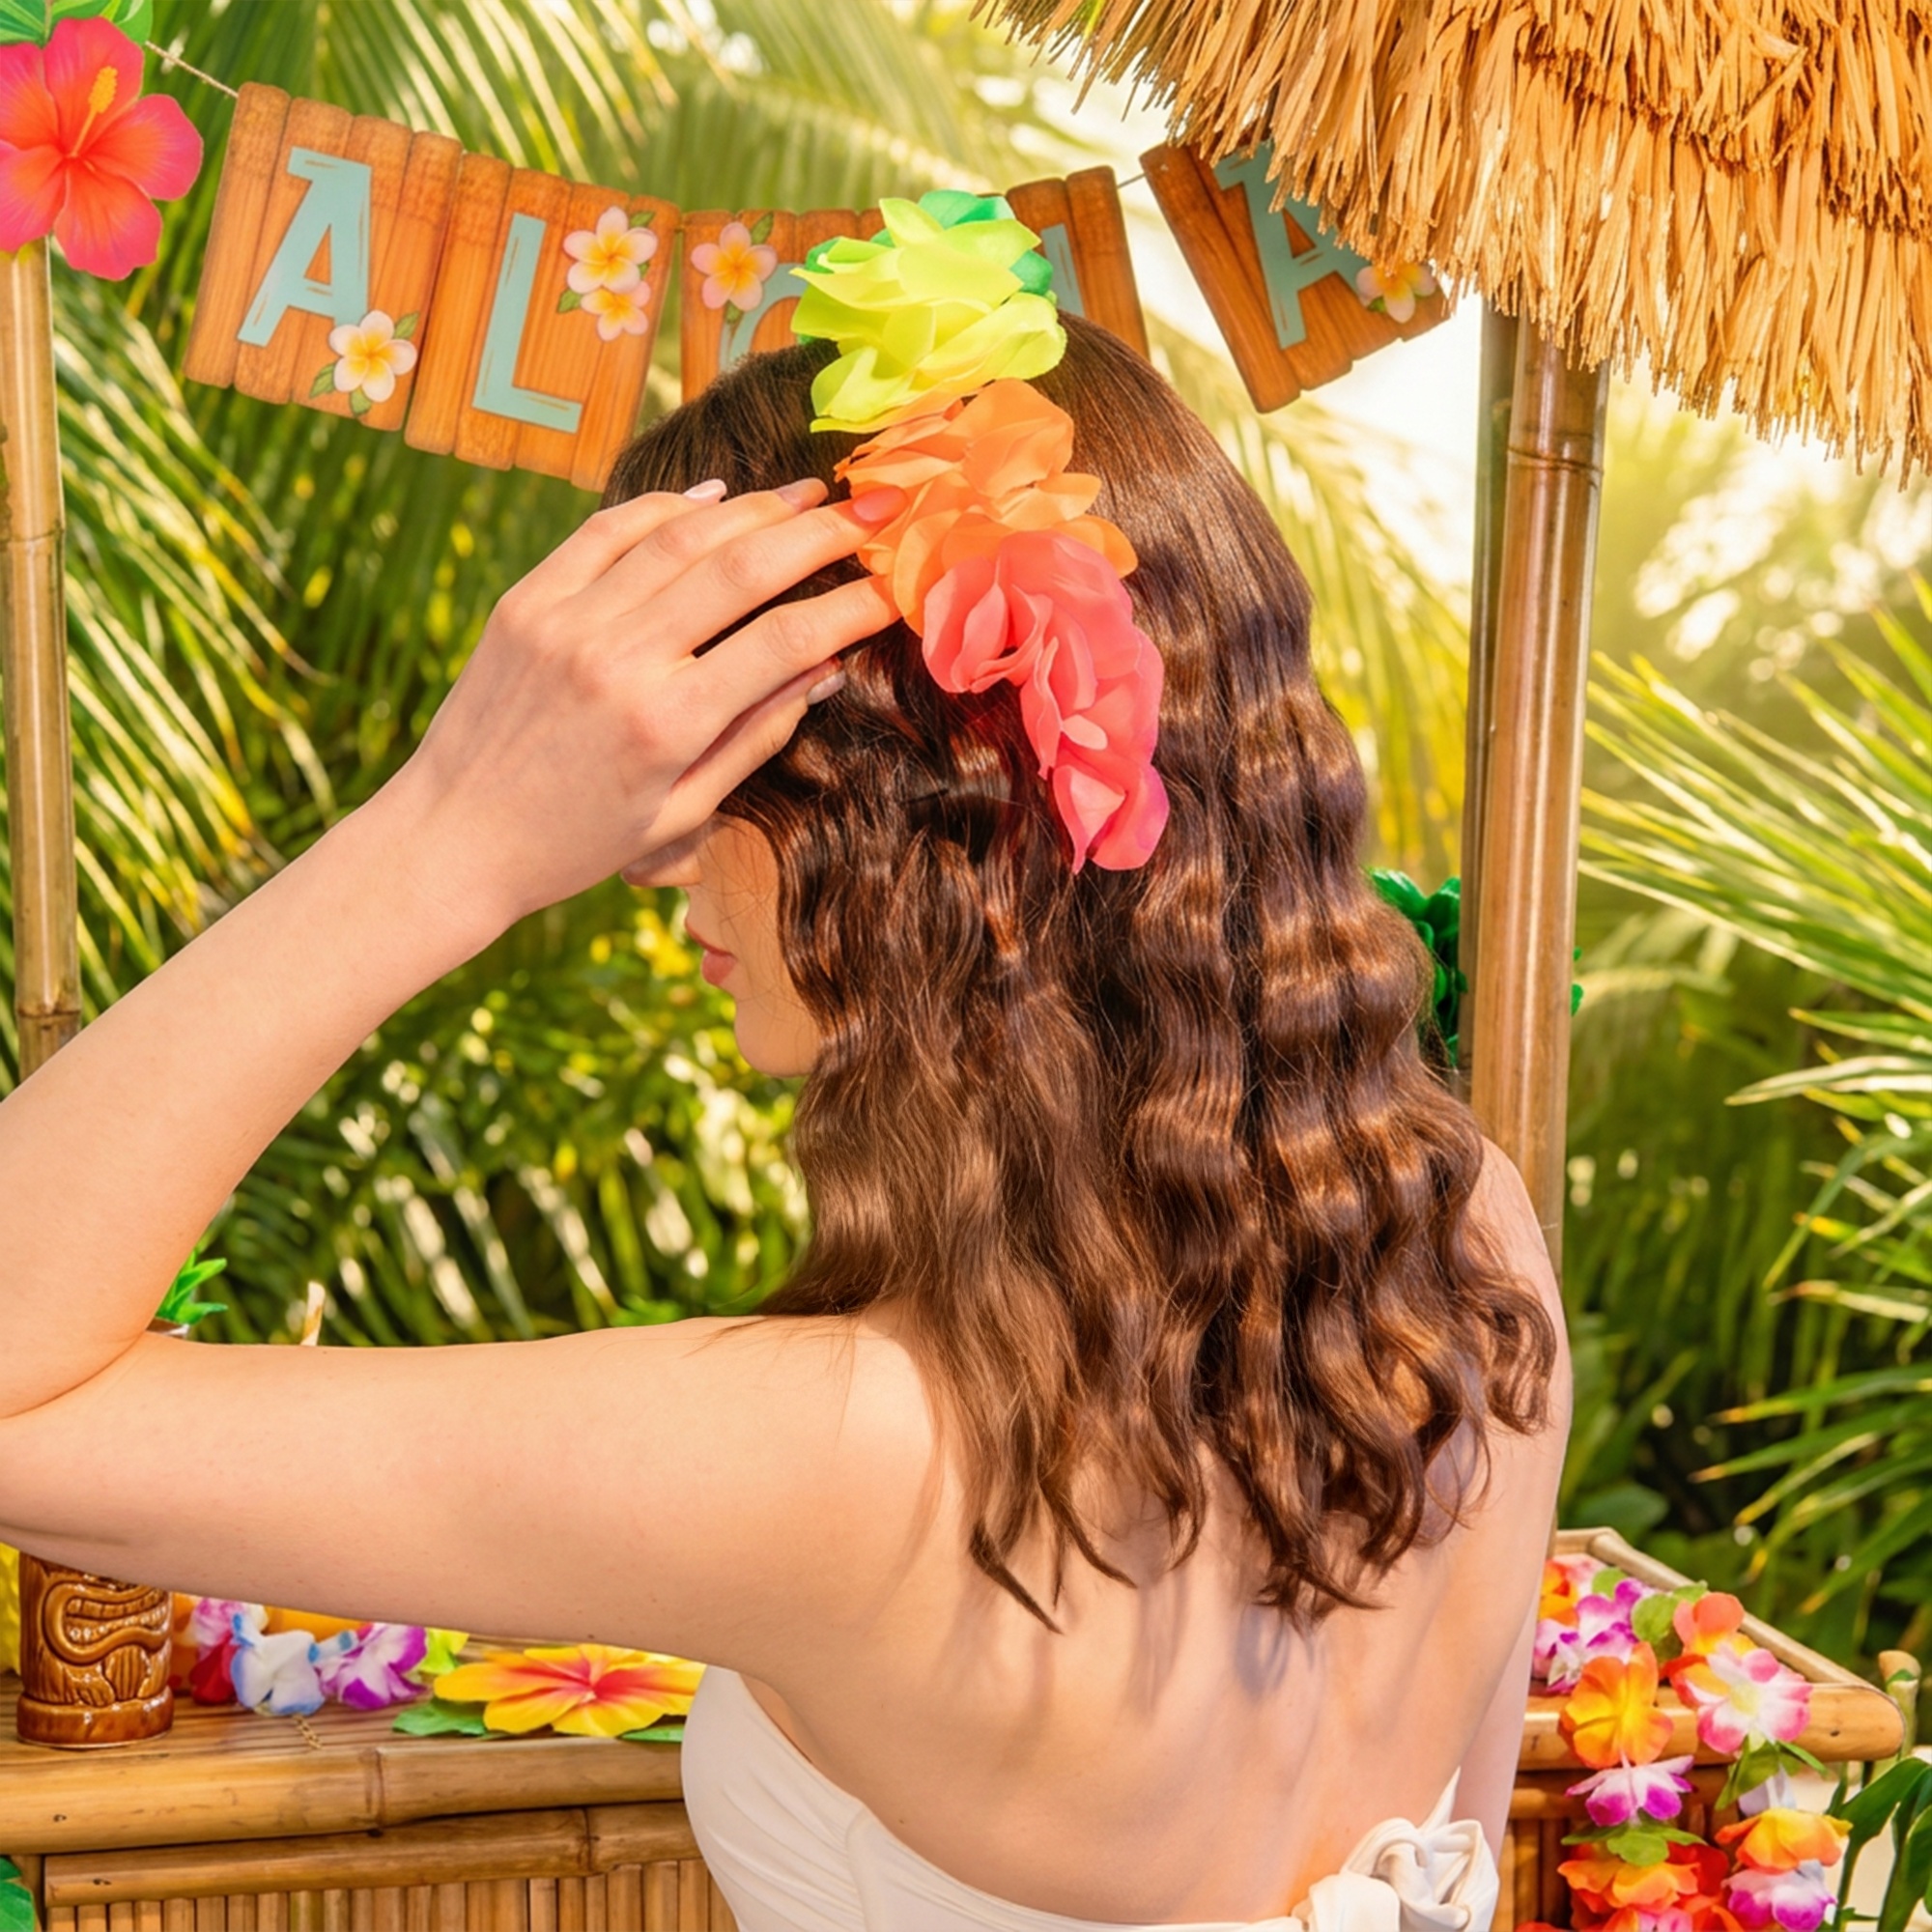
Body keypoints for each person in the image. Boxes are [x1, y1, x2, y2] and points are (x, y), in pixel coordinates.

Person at [0, 306, 1568, 1930]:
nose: (659, 854)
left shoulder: (853, 1462)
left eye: (715, 758)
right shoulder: (1464, 1242)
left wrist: (453, 829)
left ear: (918, 809)